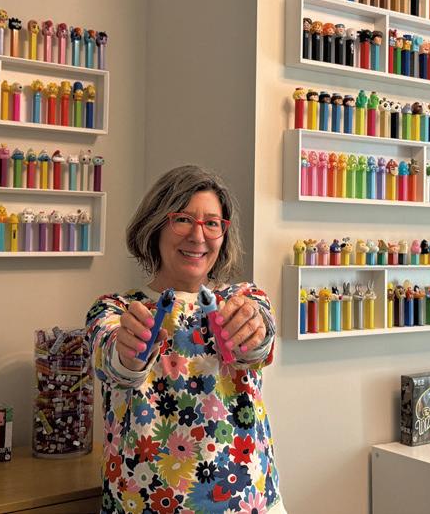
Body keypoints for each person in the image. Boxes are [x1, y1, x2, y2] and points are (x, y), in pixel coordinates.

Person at [86, 165, 284, 513]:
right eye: (183, 220)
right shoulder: (115, 310)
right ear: (155, 225)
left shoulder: (244, 299)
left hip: (248, 503)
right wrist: (128, 353)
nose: (198, 235)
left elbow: (259, 344)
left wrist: (254, 330)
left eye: (212, 223)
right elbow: (113, 360)